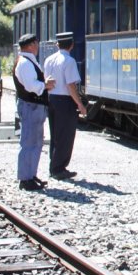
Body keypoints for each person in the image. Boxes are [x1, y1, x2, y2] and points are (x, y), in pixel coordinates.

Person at [13, 33, 55, 191]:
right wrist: (45, 85)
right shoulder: (25, 63)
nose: (38, 47)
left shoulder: (27, 61)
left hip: (33, 106)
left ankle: (31, 174)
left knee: (35, 142)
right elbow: (31, 86)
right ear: (31, 45)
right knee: (29, 143)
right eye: (36, 44)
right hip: (30, 106)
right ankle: (25, 178)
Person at [43, 32, 87, 180]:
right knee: (65, 136)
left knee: (55, 134)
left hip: (51, 98)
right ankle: (59, 168)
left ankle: (53, 166)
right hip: (65, 101)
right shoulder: (69, 61)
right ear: (72, 45)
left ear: (57, 44)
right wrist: (79, 104)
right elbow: (71, 85)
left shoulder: (48, 60)